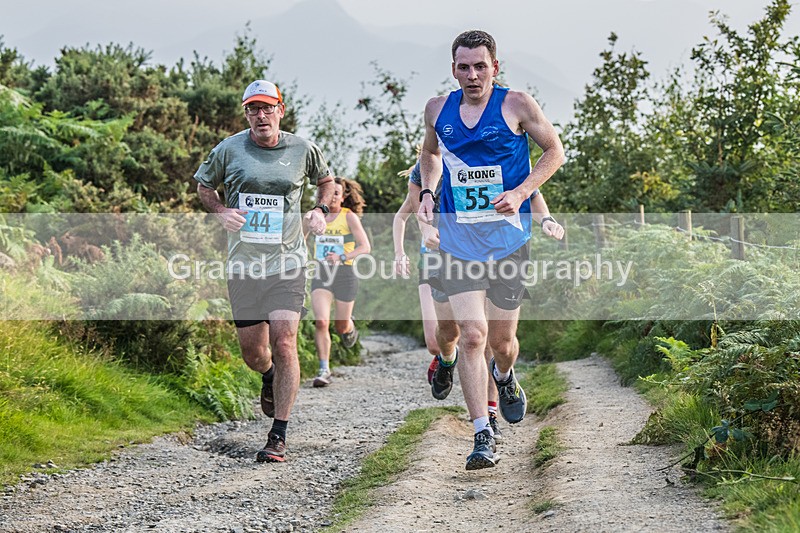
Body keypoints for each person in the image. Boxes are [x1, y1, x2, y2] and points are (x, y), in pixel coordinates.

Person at [417, 30, 565, 470]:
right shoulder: (437, 109)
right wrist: (427, 190)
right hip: (458, 241)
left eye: (480, 66)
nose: (472, 75)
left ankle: (505, 376)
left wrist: (521, 193)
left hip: (508, 241)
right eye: (464, 67)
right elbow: (430, 154)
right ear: (454, 69)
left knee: (502, 342)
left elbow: (554, 152)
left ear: (494, 67)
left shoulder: (516, 104)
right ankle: (482, 432)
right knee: (473, 335)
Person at [194, 79, 334, 463]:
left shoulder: (303, 149)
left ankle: (279, 434)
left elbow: (327, 182)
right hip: (243, 263)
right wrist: (221, 211)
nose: (260, 115)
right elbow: (205, 186)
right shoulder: (229, 149)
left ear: (280, 109)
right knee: (254, 353)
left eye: (266, 107)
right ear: (246, 114)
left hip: (288, 261)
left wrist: (320, 212)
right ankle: (269, 375)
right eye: (253, 109)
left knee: (285, 339)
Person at [396, 160, 563, 444]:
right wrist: (421, 236)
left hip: (495, 251)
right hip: (444, 254)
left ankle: (490, 414)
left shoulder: (501, 149)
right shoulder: (428, 167)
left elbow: (531, 193)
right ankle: (447, 361)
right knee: (443, 337)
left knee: (486, 339)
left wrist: (546, 219)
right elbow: (410, 210)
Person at [308, 177, 370, 387]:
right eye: (328, 192)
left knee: (340, 325)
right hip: (322, 272)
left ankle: (349, 327)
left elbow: (365, 247)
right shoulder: (316, 217)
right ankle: (324, 369)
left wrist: (342, 257)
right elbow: (299, 239)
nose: (332, 196)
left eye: (337, 193)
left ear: (343, 197)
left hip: (344, 273)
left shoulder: (349, 217)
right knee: (322, 321)